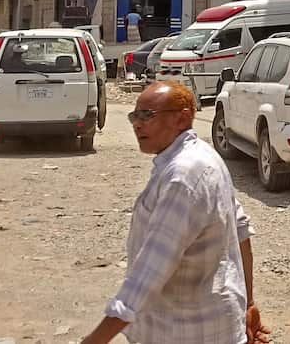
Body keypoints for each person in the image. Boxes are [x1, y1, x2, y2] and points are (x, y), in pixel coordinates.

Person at [81, 83, 269, 344]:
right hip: (212, 325)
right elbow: (241, 232)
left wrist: (95, 340)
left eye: (147, 115)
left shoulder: (182, 177)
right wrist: (248, 303)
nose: (137, 124)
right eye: (134, 116)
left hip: (182, 332)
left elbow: (148, 274)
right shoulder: (204, 157)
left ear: (181, 117)